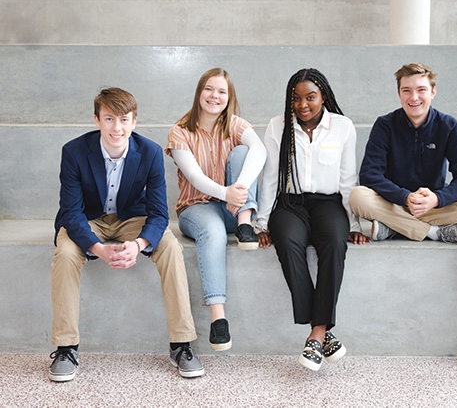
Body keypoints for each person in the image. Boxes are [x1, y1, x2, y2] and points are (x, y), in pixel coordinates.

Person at [49, 88, 203, 382]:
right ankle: (66, 346)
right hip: (88, 219)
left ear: (134, 121)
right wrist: (97, 247)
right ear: (96, 120)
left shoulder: (151, 152)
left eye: (123, 120)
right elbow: (71, 212)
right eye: (109, 119)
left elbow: (159, 213)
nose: (116, 128)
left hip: (131, 218)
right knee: (67, 253)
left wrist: (140, 243)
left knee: (169, 246)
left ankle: (181, 343)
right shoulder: (74, 151)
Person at [256, 68, 369, 371]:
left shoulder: (342, 127)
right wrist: (262, 221)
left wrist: (354, 224)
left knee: (334, 242)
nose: (302, 104)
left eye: (310, 97)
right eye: (296, 98)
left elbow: (348, 179)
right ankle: (322, 332)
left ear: (324, 97)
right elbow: (269, 178)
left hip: (328, 204)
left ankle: (316, 334)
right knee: (289, 243)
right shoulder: (277, 126)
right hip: (289, 204)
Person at [165, 68, 266, 351]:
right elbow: (195, 177)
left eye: (222, 91)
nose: (215, 96)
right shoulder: (180, 131)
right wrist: (226, 193)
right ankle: (218, 319)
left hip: (234, 210)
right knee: (213, 231)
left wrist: (239, 191)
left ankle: (246, 224)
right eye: (209, 89)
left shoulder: (234, 124)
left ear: (229, 97)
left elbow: (260, 151)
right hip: (195, 208)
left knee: (245, 153)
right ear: (199, 92)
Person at [349, 63, 457, 243]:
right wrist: (405, 197)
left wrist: (437, 199)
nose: (414, 97)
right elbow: (370, 174)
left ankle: (393, 226)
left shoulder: (448, 126)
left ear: (433, 92)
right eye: (406, 90)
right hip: (393, 203)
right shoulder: (385, 125)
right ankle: (434, 232)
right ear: (399, 94)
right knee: (358, 197)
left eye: (421, 89)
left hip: (433, 206)